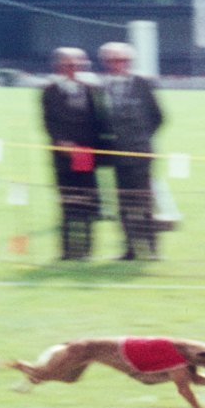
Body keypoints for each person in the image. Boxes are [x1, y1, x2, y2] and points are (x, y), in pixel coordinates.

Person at [98, 41, 165, 260]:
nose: (117, 64)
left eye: (122, 60)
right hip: (116, 155)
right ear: (105, 63)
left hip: (140, 154)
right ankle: (130, 249)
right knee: (123, 204)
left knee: (144, 202)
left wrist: (140, 140)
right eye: (112, 60)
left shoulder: (142, 84)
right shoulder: (100, 87)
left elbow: (158, 117)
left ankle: (152, 249)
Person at [41, 47, 103, 260]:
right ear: (58, 67)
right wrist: (62, 143)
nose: (74, 69)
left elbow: (98, 121)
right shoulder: (50, 91)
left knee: (87, 203)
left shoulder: (90, 90)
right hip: (63, 156)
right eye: (69, 65)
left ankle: (86, 250)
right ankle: (68, 250)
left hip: (86, 154)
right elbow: (48, 122)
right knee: (67, 204)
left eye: (79, 65)